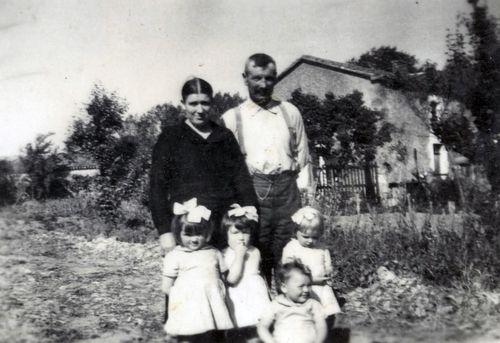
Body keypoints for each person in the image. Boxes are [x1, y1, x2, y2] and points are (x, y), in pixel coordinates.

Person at [150, 77, 257, 322]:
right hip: (188, 225)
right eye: (194, 103)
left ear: (212, 103)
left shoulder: (224, 137)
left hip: (222, 223)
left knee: (219, 278)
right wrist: (164, 231)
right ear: (183, 104)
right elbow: (156, 187)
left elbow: (241, 178)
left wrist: (249, 212)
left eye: (205, 103)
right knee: (184, 280)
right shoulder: (171, 137)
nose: (200, 109)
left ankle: (220, 328)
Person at [222, 53, 313, 286]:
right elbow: (226, 168)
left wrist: (305, 196)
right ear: (245, 79)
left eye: (269, 78)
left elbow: (303, 156)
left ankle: (288, 307)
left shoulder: (290, 112)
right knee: (256, 250)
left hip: (287, 191)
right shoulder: (233, 118)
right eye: (257, 78)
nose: (263, 84)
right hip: (253, 190)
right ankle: (259, 308)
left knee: (288, 248)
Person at [161, 198, 233, 342]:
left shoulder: (214, 252)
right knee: (188, 337)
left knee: (210, 336)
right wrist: (186, 297)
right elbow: (166, 287)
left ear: (207, 233)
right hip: (189, 307)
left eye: (199, 234)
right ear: (178, 234)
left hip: (212, 306)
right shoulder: (175, 255)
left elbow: (224, 278)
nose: (194, 239)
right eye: (188, 234)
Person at [281, 206, 341, 329]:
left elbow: (327, 264)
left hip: (321, 287)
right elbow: (288, 270)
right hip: (302, 288)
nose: (310, 241)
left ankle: (324, 332)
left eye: (315, 237)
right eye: (305, 237)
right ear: (296, 232)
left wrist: (329, 272)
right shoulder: (292, 247)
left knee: (325, 313)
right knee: (304, 315)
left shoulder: (321, 248)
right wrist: (310, 279)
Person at [222, 204, 270, 342]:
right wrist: (239, 256)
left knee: (259, 329)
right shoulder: (226, 254)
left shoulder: (255, 251)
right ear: (226, 235)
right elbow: (232, 279)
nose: (241, 238)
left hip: (255, 294)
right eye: (235, 233)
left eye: (246, 232)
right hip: (238, 295)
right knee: (242, 329)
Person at [257, 260, 327, 343]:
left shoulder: (312, 304)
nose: (306, 290)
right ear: (284, 288)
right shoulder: (276, 304)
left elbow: (321, 326)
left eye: (309, 285)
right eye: (301, 286)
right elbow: (262, 326)